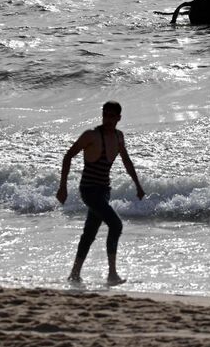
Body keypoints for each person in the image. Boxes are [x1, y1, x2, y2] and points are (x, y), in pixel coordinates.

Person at [57, 101, 145, 285]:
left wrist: (138, 185)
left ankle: (74, 273)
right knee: (116, 225)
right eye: (105, 115)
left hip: (104, 191)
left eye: (112, 116)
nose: (108, 119)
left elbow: (127, 162)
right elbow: (68, 156)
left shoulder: (119, 137)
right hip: (89, 191)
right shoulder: (91, 135)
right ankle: (112, 274)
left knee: (89, 233)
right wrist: (63, 186)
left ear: (119, 118)